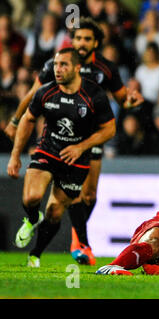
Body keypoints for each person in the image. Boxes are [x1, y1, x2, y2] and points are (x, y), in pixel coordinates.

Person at [3, 17, 143, 266]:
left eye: (86, 39)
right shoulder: (54, 68)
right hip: (54, 141)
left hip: (88, 138)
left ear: (95, 43)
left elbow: (121, 101)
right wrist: (15, 122)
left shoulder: (106, 69)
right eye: (77, 38)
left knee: (87, 196)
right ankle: (80, 244)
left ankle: (76, 242)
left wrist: (131, 101)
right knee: (47, 197)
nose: (81, 42)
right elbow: (32, 97)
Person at [7, 48, 116, 267]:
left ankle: (35, 254)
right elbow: (28, 119)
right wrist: (15, 156)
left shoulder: (94, 95)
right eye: (56, 64)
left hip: (76, 160)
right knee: (31, 198)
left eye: (64, 65)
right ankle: (31, 218)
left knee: (55, 211)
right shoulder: (46, 92)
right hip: (49, 149)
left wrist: (81, 146)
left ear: (77, 68)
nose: (58, 69)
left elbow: (110, 129)